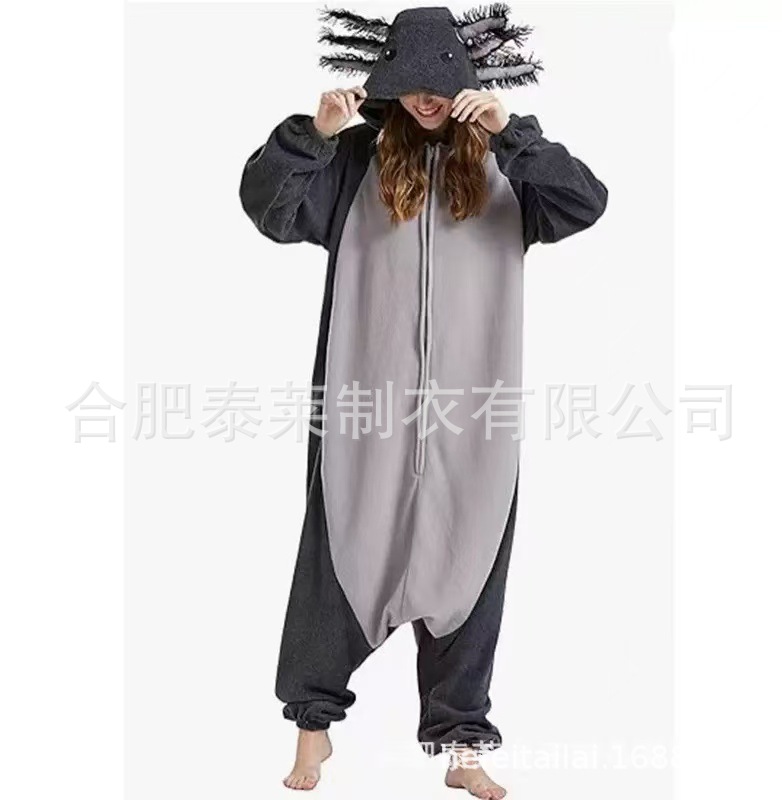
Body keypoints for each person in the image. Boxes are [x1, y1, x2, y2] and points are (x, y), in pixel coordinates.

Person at [239, 5, 607, 796]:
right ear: (387, 87)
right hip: (363, 406)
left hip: (475, 413)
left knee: (472, 565)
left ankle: (462, 746)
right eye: (408, 86)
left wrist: (514, 134)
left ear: (466, 82)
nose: (425, 99)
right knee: (337, 559)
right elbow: (270, 211)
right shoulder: (355, 162)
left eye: (437, 85)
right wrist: (313, 134)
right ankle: (312, 730)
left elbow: (585, 202)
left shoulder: (506, 165)